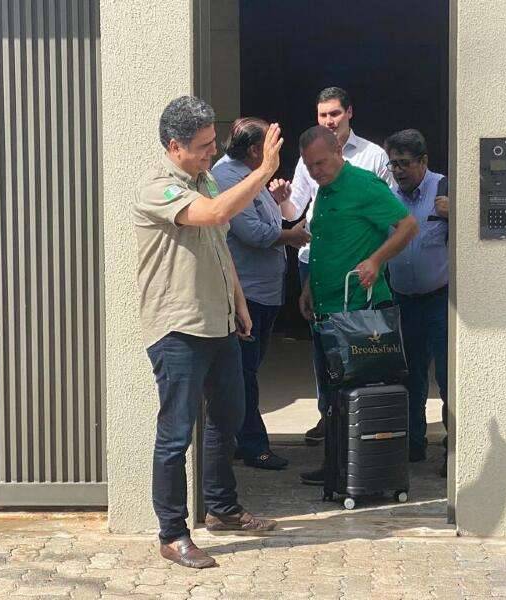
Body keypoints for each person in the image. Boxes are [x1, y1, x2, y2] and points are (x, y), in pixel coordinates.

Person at [131, 96, 282, 569]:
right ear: (174, 146)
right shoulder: (158, 188)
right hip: (178, 327)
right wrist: (264, 171)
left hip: (218, 322)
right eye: (202, 146)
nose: (212, 152)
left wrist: (239, 303)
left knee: (228, 417)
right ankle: (172, 533)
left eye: (213, 142)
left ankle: (222, 508)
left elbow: (219, 246)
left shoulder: (206, 179)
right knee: (176, 433)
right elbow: (214, 215)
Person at [269, 86, 394, 446]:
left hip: (359, 266)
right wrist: (281, 202)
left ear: (349, 112)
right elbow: (295, 212)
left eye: (335, 113)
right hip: (316, 262)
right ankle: (329, 415)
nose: (329, 121)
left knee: (364, 345)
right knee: (324, 345)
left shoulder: (373, 156)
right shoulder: (309, 156)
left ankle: (362, 419)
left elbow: (390, 217)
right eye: (323, 115)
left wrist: (374, 258)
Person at [296, 126, 418, 485]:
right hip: (327, 308)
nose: (315, 171)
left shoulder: (363, 184)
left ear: (338, 151)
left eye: (320, 163)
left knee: (357, 395)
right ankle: (336, 466)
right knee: (333, 394)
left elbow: (407, 226)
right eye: (309, 165)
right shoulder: (325, 190)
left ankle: (363, 470)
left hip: (358, 310)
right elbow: (326, 243)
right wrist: (309, 286)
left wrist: (376, 260)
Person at [212, 118, 311, 471]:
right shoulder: (227, 177)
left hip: (265, 291)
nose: (275, 154)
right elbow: (252, 231)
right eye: (271, 147)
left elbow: (262, 218)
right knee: (244, 374)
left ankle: (241, 439)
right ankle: (253, 445)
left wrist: (276, 201)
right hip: (248, 294)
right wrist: (290, 236)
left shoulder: (249, 174)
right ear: (255, 149)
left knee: (248, 369)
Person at [384, 129, 449, 476]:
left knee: (448, 377)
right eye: (393, 164)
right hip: (403, 301)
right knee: (410, 376)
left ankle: (454, 449)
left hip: (440, 301)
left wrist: (456, 213)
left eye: (404, 163)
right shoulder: (388, 198)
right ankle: (413, 443)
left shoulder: (444, 189)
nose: (398, 171)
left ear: (423, 161)